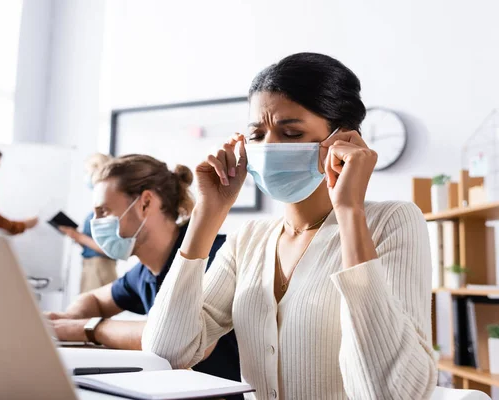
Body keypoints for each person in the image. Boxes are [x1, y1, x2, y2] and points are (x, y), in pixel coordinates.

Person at [142, 53, 437, 400]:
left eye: (292, 132)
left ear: (344, 140)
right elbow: (166, 352)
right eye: (258, 133)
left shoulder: (392, 222)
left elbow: (391, 393)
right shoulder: (248, 240)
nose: (269, 147)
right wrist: (209, 213)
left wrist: (350, 212)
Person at [47, 154, 241, 386]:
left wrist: (89, 329)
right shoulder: (144, 273)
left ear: (146, 203)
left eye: (104, 211)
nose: (94, 223)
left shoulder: (215, 255)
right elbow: (95, 299)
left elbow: (184, 339)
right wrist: (68, 319)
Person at [59, 153, 118, 293]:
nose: (86, 176)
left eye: (87, 172)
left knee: (94, 313)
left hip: (100, 267)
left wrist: (78, 236)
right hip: (90, 265)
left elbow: (108, 248)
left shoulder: (107, 205)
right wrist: (76, 236)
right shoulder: (98, 204)